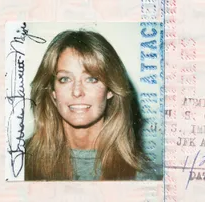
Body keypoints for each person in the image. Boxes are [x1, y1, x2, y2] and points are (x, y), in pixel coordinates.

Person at [25, 29, 158, 181]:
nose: (77, 92)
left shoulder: (141, 176)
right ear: (52, 91)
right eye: (65, 79)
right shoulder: (18, 163)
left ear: (110, 89)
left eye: (92, 79)